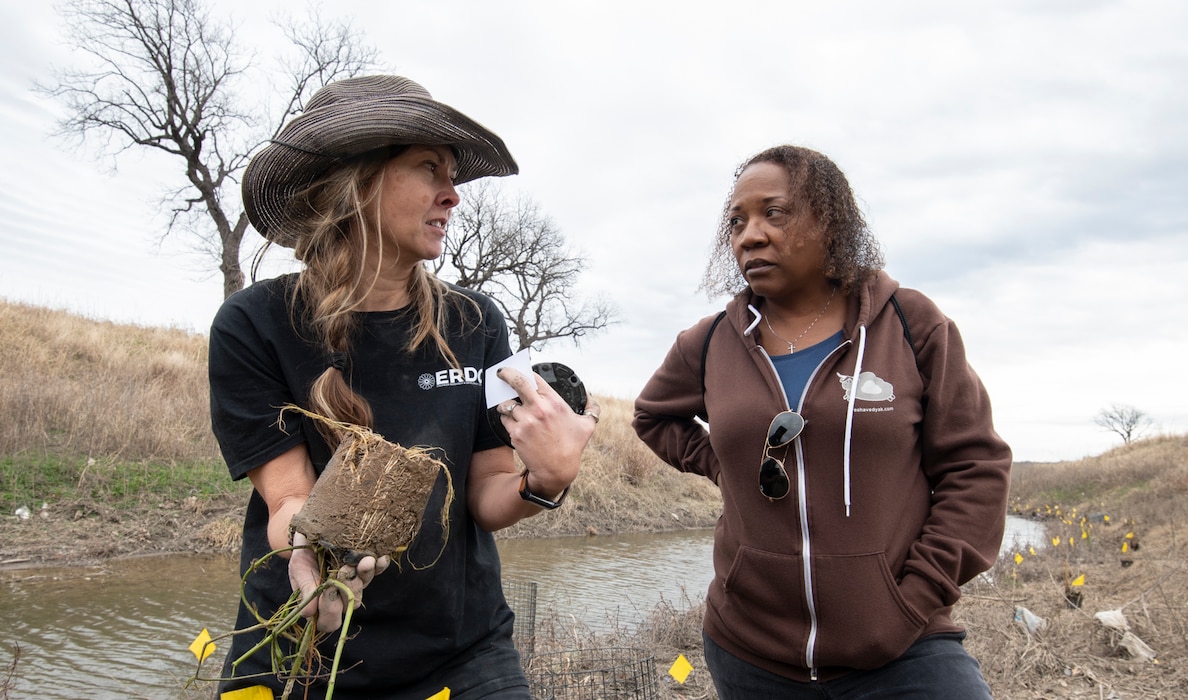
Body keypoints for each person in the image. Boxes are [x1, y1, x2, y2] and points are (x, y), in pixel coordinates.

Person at [207, 75, 598, 699]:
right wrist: (313, 552)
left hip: (457, 653)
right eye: (429, 169)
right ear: (357, 180)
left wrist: (544, 481)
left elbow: (486, 494)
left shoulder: (475, 322)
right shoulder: (254, 324)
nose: (452, 196)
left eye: (453, 176)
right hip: (301, 648)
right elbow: (286, 502)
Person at [633, 145, 1011, 698]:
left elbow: (976, 467)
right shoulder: (710, 342)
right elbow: (652, 416)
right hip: (749, 653)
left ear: (829, 221)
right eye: (736, 222)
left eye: (775, 213)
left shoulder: (912, 325)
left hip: (903, 649)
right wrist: (726, 467)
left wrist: (914, 598)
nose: (749, 235)